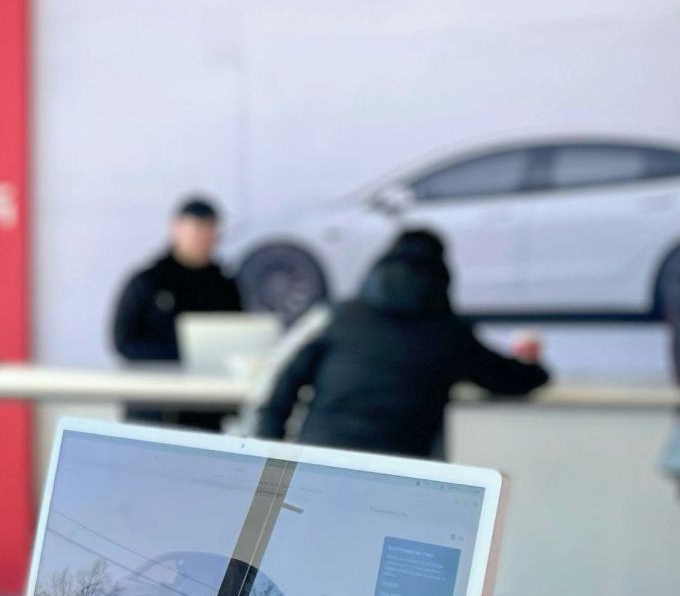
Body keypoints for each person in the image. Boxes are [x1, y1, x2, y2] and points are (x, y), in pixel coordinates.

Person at [255, 229, 549, 459]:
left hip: (321, 457)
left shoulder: (342, 317)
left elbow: (285, 383)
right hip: (401, 471)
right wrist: (535, 367)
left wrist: (270, 452)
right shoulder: (449, 333)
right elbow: (512, 379)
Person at [112, 196, 243, 430]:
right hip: (154, 409)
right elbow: (124, 342)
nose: (203, 237)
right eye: (196, 228)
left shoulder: (224, 285)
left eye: (210, 229)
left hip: (206, 410)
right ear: (176, 228)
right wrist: (181, 357)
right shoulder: (149, 281)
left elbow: (238, 336)